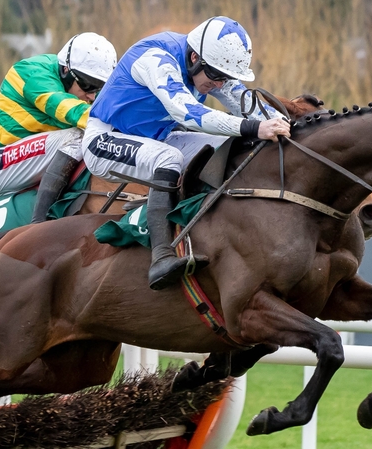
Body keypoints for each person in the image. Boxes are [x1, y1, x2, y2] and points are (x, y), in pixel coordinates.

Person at [82, 17, 291, 290]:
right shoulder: (157, 58)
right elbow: (188, 113)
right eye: (216, 77)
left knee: (227, 147)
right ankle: (161, 257)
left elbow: (247, 105)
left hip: (159, 137)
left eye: (225, 78)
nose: (220, 85)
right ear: (194, 58)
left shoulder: (210, 65)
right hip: (104, 139)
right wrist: (254, 128)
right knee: (169, 159)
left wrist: (294, 128)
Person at [0, 32, 117, 223]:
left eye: (99, 87)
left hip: (33, 155)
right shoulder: (32, 73)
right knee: (78, 135)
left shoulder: (77, 80)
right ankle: (39, 224)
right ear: (65, 70)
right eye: (87, 85)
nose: (92, 95)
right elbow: (73, 111)